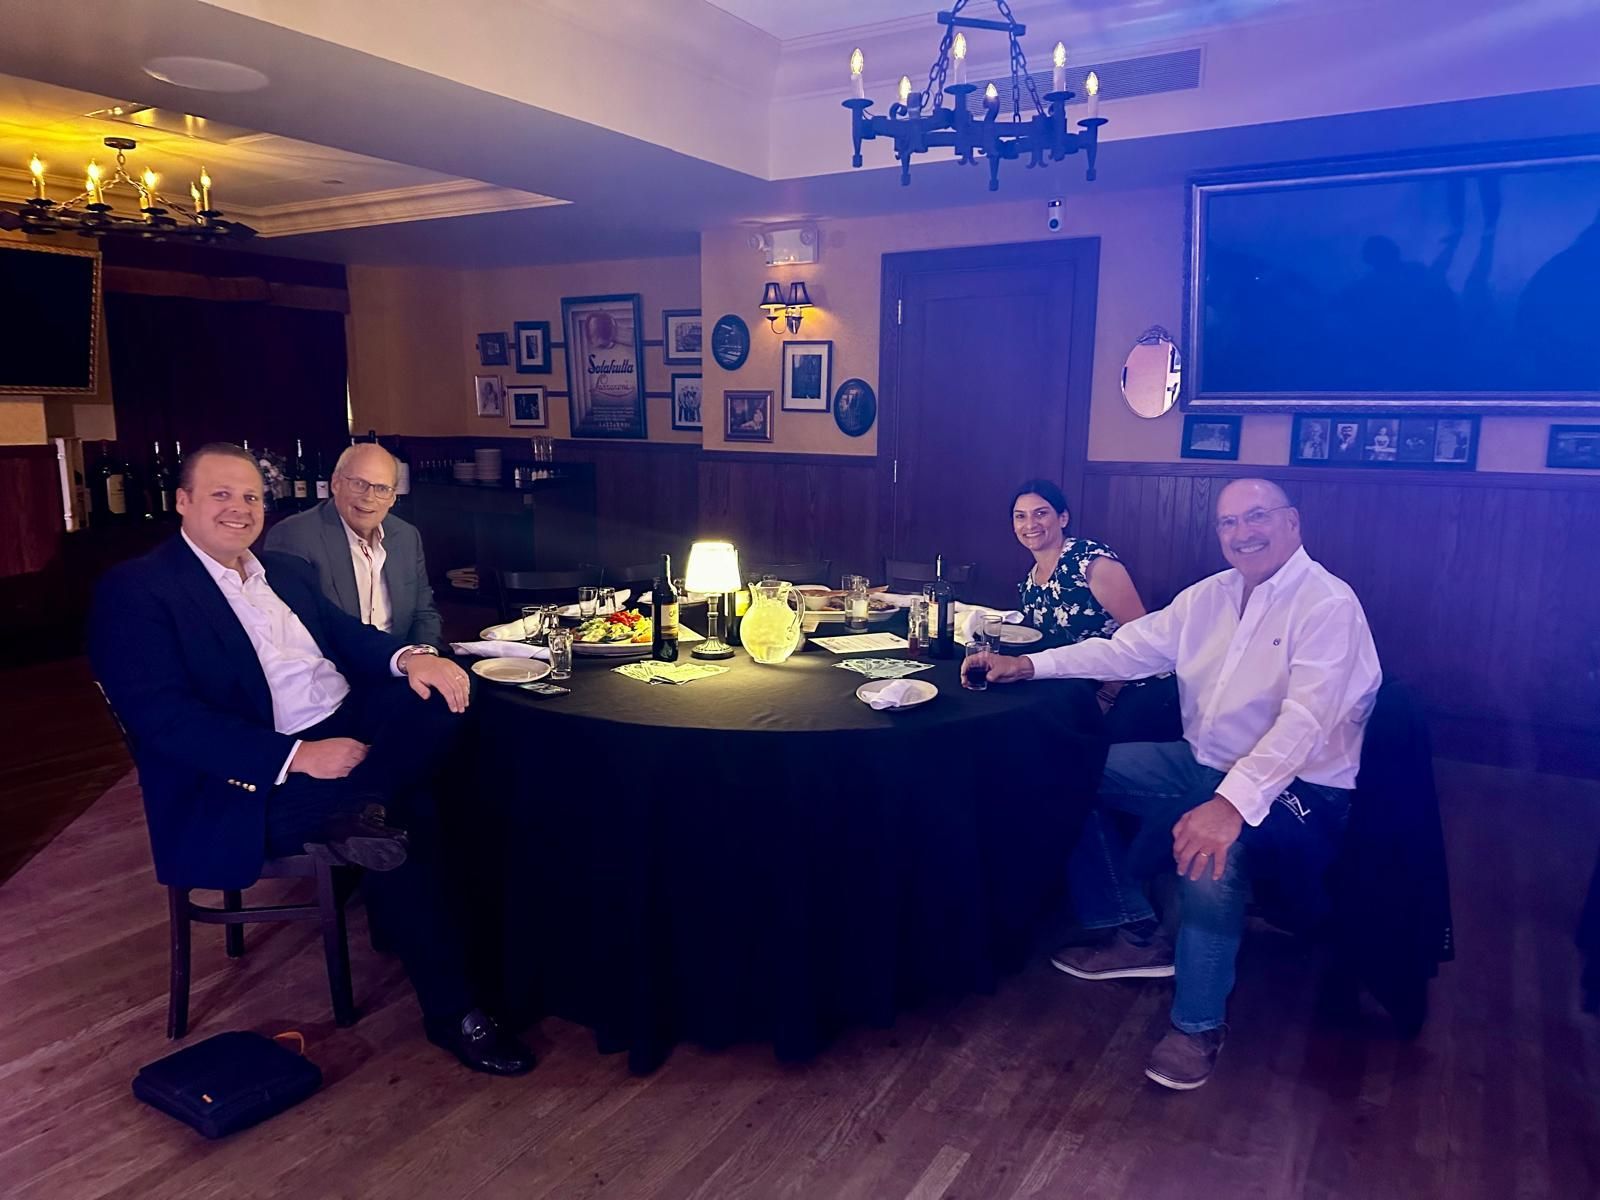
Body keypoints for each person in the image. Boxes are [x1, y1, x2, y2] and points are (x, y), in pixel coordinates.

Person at [90, 443, 534, 1077]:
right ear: (182, 501)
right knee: (414, 813)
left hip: (342, 726)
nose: (239, 509)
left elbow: (347, 636)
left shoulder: (282, 572)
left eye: (250, 497)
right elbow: (167, 722)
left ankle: (363, 808)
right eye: (220, 494)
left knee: (452, 695)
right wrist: (297, 757)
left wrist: (411, 658)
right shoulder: (138, 589)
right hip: (248, 781)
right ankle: (455, 1009)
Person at [965, 478, 1380, 1090]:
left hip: (1301, 791)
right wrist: (1028, 665)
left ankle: (1198, 1023)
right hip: (1201, 761)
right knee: (1067, 771)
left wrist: (1231, 804)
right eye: (1229, 524)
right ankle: (1136, 931)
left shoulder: (1328, 605)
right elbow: (1126, 649)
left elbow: (1308, 722)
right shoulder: (1209, 597)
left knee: (1214, 852)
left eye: (1257, 517)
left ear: (1292, 523)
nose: (1243, 533)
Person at [266, 443, 443, 647]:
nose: (369, 497)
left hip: (401, 665)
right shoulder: (294, 536)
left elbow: (424, 614)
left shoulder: (406, 536)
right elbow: (302, 635)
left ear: (393, 498)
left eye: (382, 489)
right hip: (336, 670)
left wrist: (425, 657)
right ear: (335, 484)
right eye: (359, 484)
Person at [1011, 479, 1146, 647]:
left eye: (1041, 513)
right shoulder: (1030, 580)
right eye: (1020, 516)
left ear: (1063, 519)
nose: (1030, 524)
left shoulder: (1089, 560)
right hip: (1057, 671)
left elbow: (1142, 635)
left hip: (1110, 671)